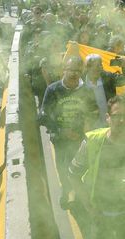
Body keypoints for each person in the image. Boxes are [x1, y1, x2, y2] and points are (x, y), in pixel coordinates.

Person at [69, 96, 125, 239]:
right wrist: (89, 208)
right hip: (100, 215)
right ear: (108, 118)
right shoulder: (92, 141)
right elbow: (73, 175)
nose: (122, 120)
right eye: (117, 115)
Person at [39, 56, 98, 209]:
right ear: (64, 70)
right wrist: (61, 131)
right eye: (71, 70)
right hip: (60, 138)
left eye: (78, 71)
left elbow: (94, 111)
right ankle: (65, 191)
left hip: (80, 138)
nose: (74, 74)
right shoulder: (53, 89)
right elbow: (43, 115)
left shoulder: (86, 91)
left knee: (78, 168)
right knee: (62, 166)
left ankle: (78, 195)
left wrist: (87, 128)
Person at [84, 53, 125, 127]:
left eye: (100, 64)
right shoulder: (80, 81)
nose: (99, 68)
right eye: (96, 66)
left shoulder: (108, 77)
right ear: (87, 67)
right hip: (90, 125)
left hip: (110, 124)